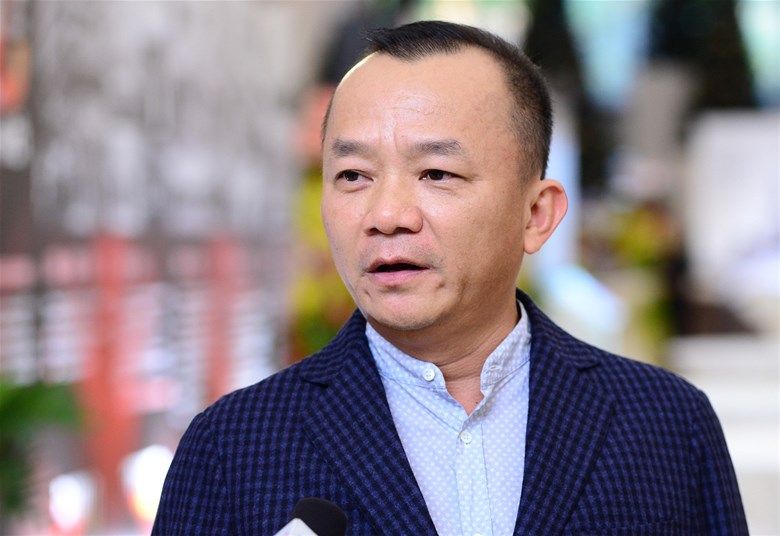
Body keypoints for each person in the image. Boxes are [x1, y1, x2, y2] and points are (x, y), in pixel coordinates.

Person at [153, 21, 747, 535]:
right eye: (353, 176)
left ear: (536, 214)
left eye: (436, 173)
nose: (387, 215)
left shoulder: (665, 423)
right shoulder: (234, 448)